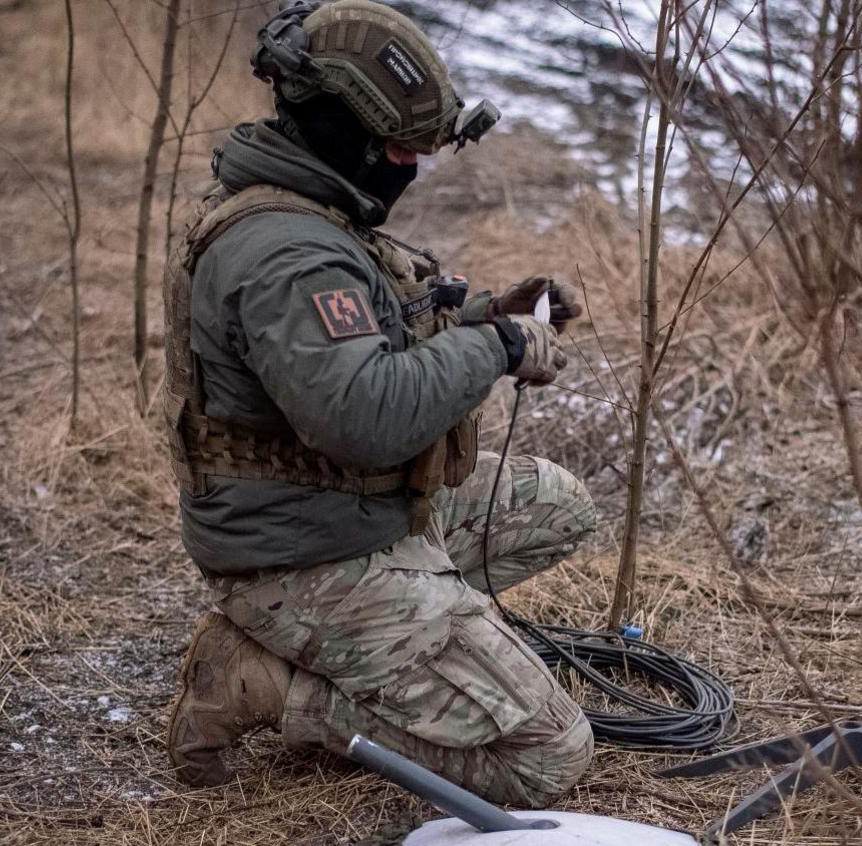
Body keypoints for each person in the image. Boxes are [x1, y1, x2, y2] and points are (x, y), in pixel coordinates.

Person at [160, 0, 596, 809]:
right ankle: (265, 684)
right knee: (549, 755)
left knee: (560, 505)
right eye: (398, 148)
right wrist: (495, 349)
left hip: (349, 511)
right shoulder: (288, 253)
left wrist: (490, 313)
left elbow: (372, 342)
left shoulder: (312, 212)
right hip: (298, 554)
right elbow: (362, 417)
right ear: (338, 127)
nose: (410, 168)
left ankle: (404, 636)